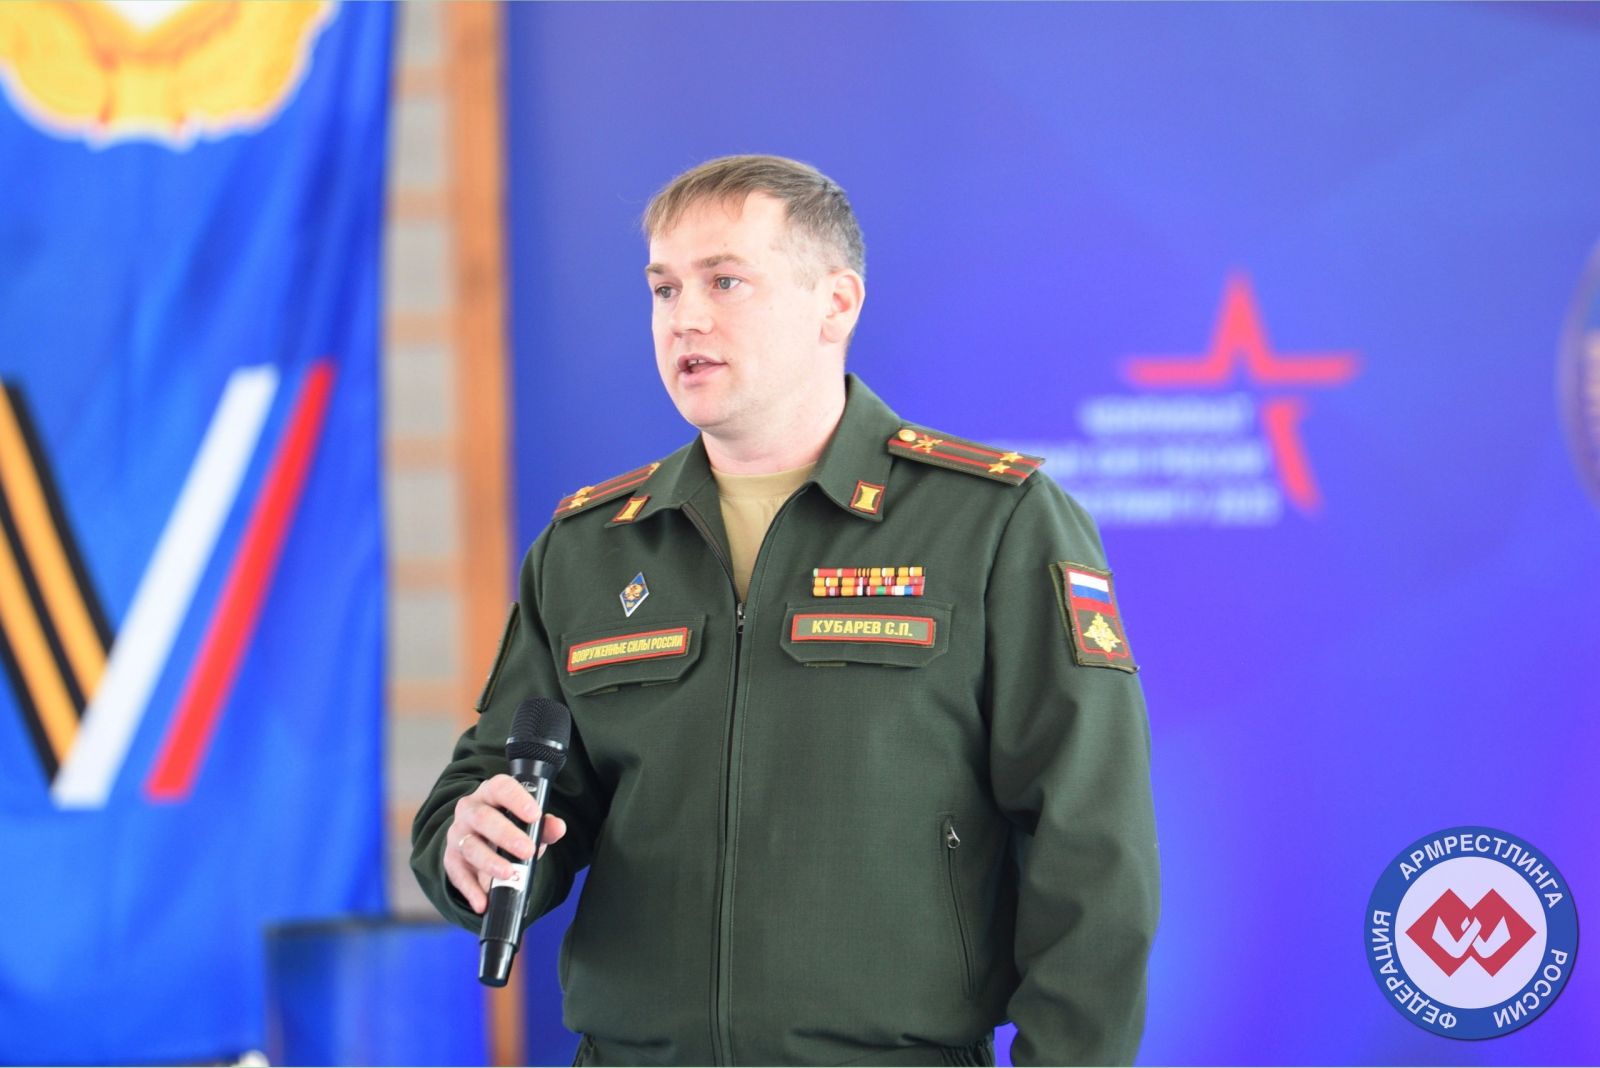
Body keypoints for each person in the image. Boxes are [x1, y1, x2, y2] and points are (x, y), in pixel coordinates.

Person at [412, 155, 1159, 1067]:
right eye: (663, 288)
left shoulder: (994, 522)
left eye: (724, 281)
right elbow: (502, 787)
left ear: (835, 304)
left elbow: (1092, 850)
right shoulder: (589, 547)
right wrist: (471, 847)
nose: (684, 317)